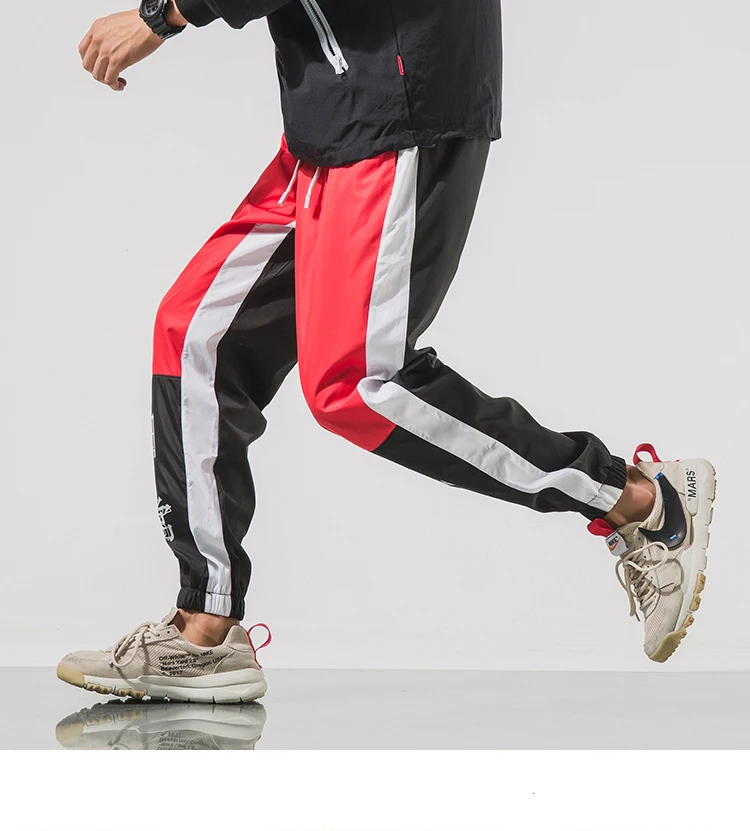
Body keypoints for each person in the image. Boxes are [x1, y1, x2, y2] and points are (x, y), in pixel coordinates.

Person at [57, 0, 716, 703]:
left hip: (396, 92)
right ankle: (204, 631)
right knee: (196, 333)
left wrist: (165, 15)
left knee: (355, 385)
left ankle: (641, 502)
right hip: (336, 99)